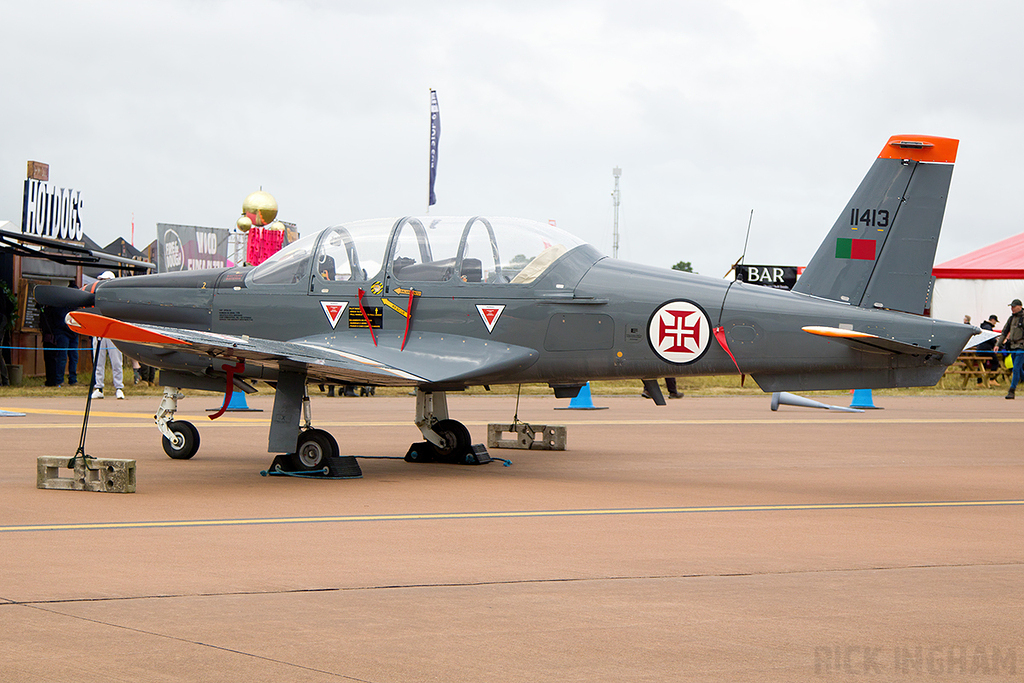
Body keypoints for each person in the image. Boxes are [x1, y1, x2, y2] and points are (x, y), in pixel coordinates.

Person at [91, 271, 125, 400]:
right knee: (98, 360)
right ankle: (98, 387)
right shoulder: (96, 295)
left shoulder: (117, 296)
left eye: (104, 280)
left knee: (116, 361)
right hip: (99, 330)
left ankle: (119, 387)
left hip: (113, 331)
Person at [994, 299, 1024, 399]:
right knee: (1018, 369)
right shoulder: (1011, 319)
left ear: (1020, 306)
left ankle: (1012, 390)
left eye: (1014, 306)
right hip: (1013, 347)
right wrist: (998, 344)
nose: (1012, 308)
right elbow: (1004, 332)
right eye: (1011, 306)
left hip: (1021, 347)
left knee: (1015, 368)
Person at [977, 314, 1000, 385]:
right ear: (993, 320)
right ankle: (992, 379)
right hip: (986, 348)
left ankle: (979, 382)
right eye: (995, 321)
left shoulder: (984, 326)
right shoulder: (988, 327)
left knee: (982, 365)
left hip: (980, 349)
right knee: (996, 362)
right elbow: (989, 338)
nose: (995, 323)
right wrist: (996, 341)